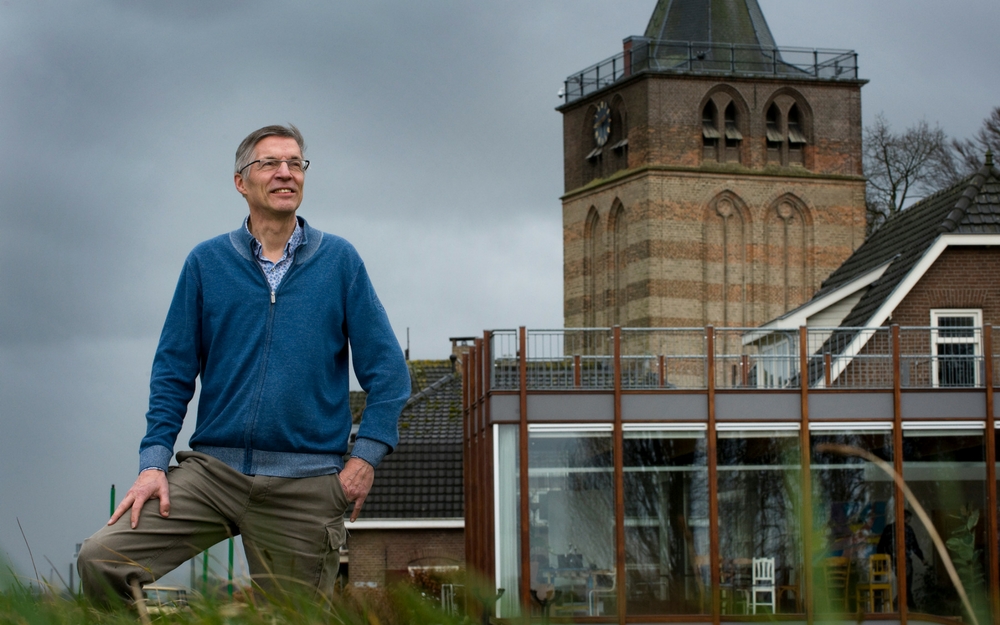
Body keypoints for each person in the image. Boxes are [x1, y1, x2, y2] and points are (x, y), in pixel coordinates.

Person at [77, 124, 411, 604]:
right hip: (213, 473)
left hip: (306, 483)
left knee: (292, 618)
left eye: (295, 164)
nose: (285, 174)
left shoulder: (340, 261)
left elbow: (389, 376)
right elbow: (172, 372)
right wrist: (153, 462)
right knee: (101, 559)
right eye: (270, 164)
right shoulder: (205, 263)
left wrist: (364, 458)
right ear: (241, 182)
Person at [876, 510, 926, 608]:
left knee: (905, 587)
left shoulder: (904, 529)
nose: (908, 521)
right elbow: (882, 547)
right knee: (905, 587)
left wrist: (922, 558)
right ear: (905, 518)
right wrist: (884, 562)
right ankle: (908, 607)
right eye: (908, 519)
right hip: (896, 562)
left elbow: (881, 547)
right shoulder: (894, 529)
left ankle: (899, 605)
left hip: (898, 561)